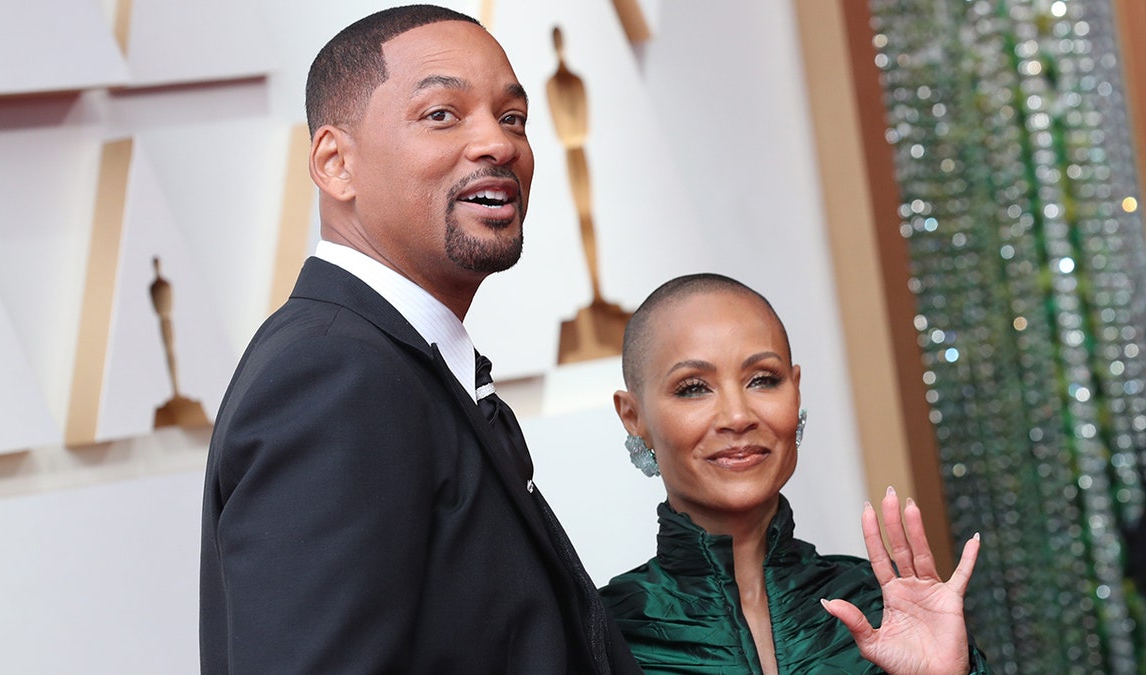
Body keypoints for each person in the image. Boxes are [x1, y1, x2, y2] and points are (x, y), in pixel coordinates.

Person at [199, 6, 639, 673]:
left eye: (513, 117)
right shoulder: (333, 375)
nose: (498, 144)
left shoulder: (386, 360)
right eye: (442, 115)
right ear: (334, 163)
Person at [599, 273, 990, 674]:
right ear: (633, 416)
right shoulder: (599, 634)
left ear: (796, 392)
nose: (737, 416)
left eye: (763, 380)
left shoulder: (879, 607)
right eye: (694, 387)